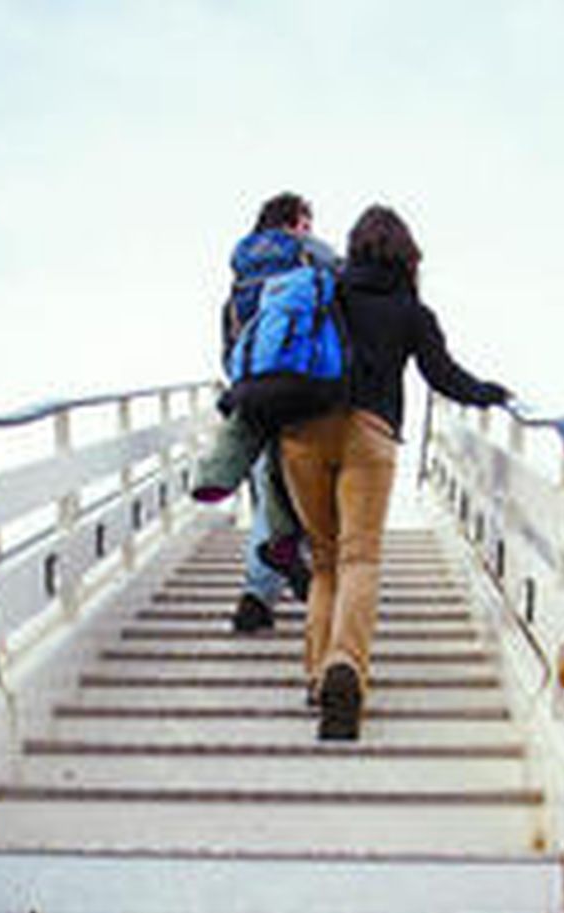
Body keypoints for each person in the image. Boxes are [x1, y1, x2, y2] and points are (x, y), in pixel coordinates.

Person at [280, 205, 509, 739]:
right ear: (407, 255)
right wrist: (492, 394)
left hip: (302, 432)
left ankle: (316, 675)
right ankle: (347, 667)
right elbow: (445, 378)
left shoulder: (325, 290)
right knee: (360, 555)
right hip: (369, 433)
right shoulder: (410, 311)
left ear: (354, 248)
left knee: (324, 561)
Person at [194, 192, 338, 631]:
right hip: (302, 391)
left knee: (265, 488)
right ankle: (313, 584)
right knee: (305, 489)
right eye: (306, 222)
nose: (309, 230)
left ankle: (257, 596)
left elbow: (228, 342)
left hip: (251, 394)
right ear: (296, 222)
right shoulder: (311, 256)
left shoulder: (241, 274)